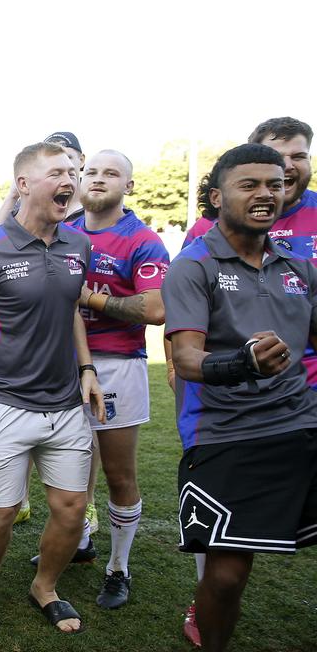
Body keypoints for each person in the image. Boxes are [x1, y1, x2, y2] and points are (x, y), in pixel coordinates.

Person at [165, 143, 317, 652]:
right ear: (217, 195)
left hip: (302, 424)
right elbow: (186, 358)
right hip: (228, 435)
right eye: (249, 185)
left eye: (274, 184)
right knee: (226, 577)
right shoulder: (194, 265)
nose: (266, 194)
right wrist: (242, 361)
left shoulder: (299, 266)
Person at [0, 141, 105, 635]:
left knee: (72, 508)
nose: (70, 181)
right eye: (58, 173)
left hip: (65, 404)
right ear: (23, 184)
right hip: (3, 402)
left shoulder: (78, 246)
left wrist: (87, 369)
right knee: (0, 511)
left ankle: (45, 585)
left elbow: (71, 314)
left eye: (73, 172)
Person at [65, 150, 168, 609]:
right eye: (92, 172)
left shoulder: (143, 239)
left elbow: (154, 309)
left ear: (129, 184)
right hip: (63, 364)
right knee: (69, 465)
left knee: (119, 473)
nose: (98, 179)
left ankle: (118, 568)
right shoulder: (63, 231)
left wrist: (93, 300)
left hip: (117, 365)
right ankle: (80, 543)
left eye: (112, 173)